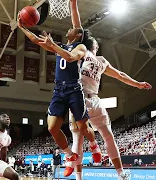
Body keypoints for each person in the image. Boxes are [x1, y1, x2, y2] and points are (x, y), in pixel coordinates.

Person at [17, 0, 100, 177]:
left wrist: (53, 45)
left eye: (72, 29)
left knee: (83, 128)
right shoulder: (61, 46)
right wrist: (22, 27)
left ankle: (94, 145)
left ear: (77, 34)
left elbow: (70, 58)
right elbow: (36, 40)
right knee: (52, 127)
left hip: (74, 89)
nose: (68, 29)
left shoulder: (81, 47)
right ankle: (70, 155)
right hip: (59, 90)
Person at [70, 36, 152, 180]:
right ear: (94, 46)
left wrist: (138, 84)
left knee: (79, 140)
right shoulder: (83, 54)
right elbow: (120, 75)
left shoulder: (99, 60)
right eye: (96, 46)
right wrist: (137, 84)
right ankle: (121, 174)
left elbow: (120, 74)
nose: (97, 48)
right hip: (85, 99)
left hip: (85, 99)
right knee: (107, 137)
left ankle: (80, 178)